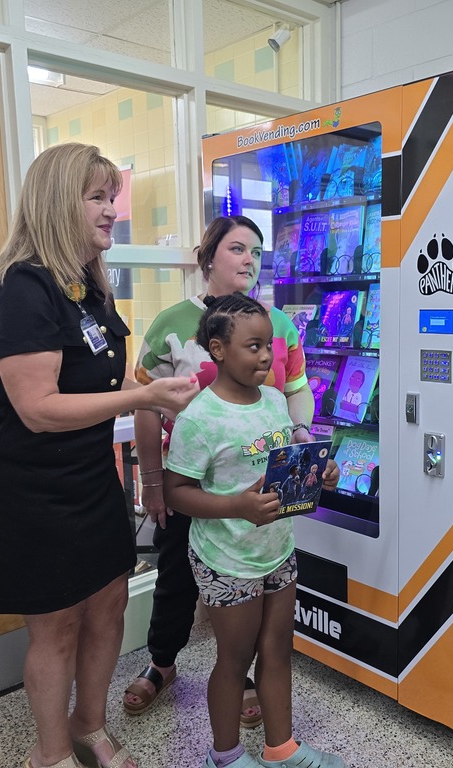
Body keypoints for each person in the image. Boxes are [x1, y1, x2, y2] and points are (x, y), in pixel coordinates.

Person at [0, 142, 198, 768]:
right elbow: (38, 407)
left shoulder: (88, 289)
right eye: (96, 197)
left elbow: (102, 384)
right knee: (57, 626)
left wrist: (160, 395)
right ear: (54, 201)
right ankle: (51, 754)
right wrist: (141, 397)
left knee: (110, 604)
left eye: (112, 198)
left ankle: (88, 726)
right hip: (31, 491)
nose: (110, 212)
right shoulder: (20, 288)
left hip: (91, 480)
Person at [123, 216, 315, 726]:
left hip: (256, 482)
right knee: (177, 579)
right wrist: (155, 481)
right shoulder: (171, 323)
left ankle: (243, 675)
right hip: (192, 479)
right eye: (237, 249)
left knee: (253, 586)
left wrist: (300, 441)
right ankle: (163, 663)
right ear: (208, 257)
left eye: (257, 252)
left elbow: (295, 388)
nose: (249, 260)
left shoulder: (280, 327)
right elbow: (146, 405)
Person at [164, 293, 344, 768]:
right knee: (234, 658)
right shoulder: (200, 418)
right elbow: (176, 490)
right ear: (218, 349)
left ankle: (281, 749)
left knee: (277, 650)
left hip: (277, 549)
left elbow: (283, 467)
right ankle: (223, 756)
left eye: (270, 345)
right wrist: (235, 507)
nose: (266, 356)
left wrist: (318, 474)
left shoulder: (272, 400)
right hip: (227, 559)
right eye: (253, 346)